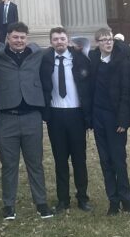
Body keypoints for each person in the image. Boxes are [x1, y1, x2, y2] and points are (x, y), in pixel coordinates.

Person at [0, 21, 53, 221]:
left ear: (27, 39)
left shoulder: (36, 54)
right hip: (7, 118)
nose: (19, 41)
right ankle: (8, 206)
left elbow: (62, 48)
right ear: (8, 38)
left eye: (23, 37)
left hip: (32, 116)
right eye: (15, 37)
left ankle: (41, 203)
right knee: (8, 164)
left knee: (35, 163)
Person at [39, 26, 93, 213]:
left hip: (76, 114)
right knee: (60, 160)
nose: (59, 42)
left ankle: (83, 198)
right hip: (55, 115)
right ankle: (63, 199)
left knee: (80, 159)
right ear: (51, 41)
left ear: (68, 40)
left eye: (62, 38)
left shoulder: (80, 59)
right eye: (55, 39)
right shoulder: (45, 59)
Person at [89, 26, 130, 216]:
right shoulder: (93, 60)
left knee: (118, 160)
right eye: (104, 40)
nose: (108, 42)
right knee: (105, 161)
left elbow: (126, 93)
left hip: (116, 118)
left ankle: (127, 200)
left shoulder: (122, 61)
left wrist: (123, 121)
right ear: (98, 43)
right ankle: (113, 201)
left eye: (110, 39)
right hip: (98, 117)